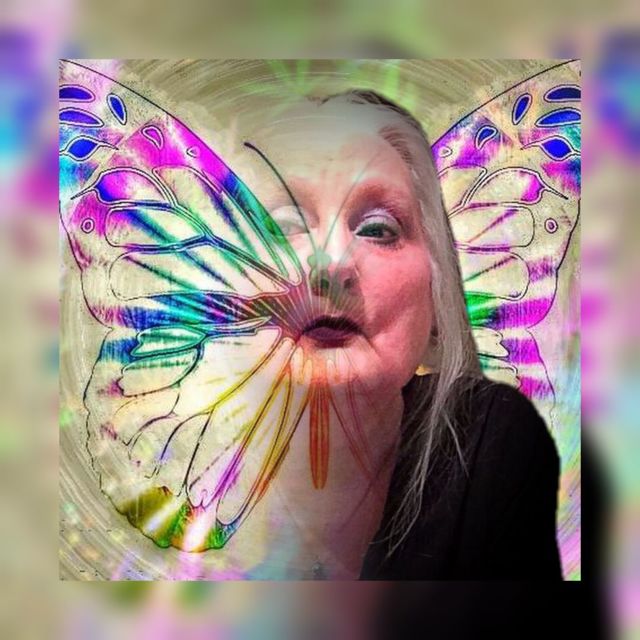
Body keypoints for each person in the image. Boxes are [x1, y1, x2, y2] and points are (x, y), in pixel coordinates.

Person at [237, 89, 563, 580]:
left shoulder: (489, 446)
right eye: (283, 225)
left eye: (377, 229)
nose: (330, 263)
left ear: (436, 295)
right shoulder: (155, 476)